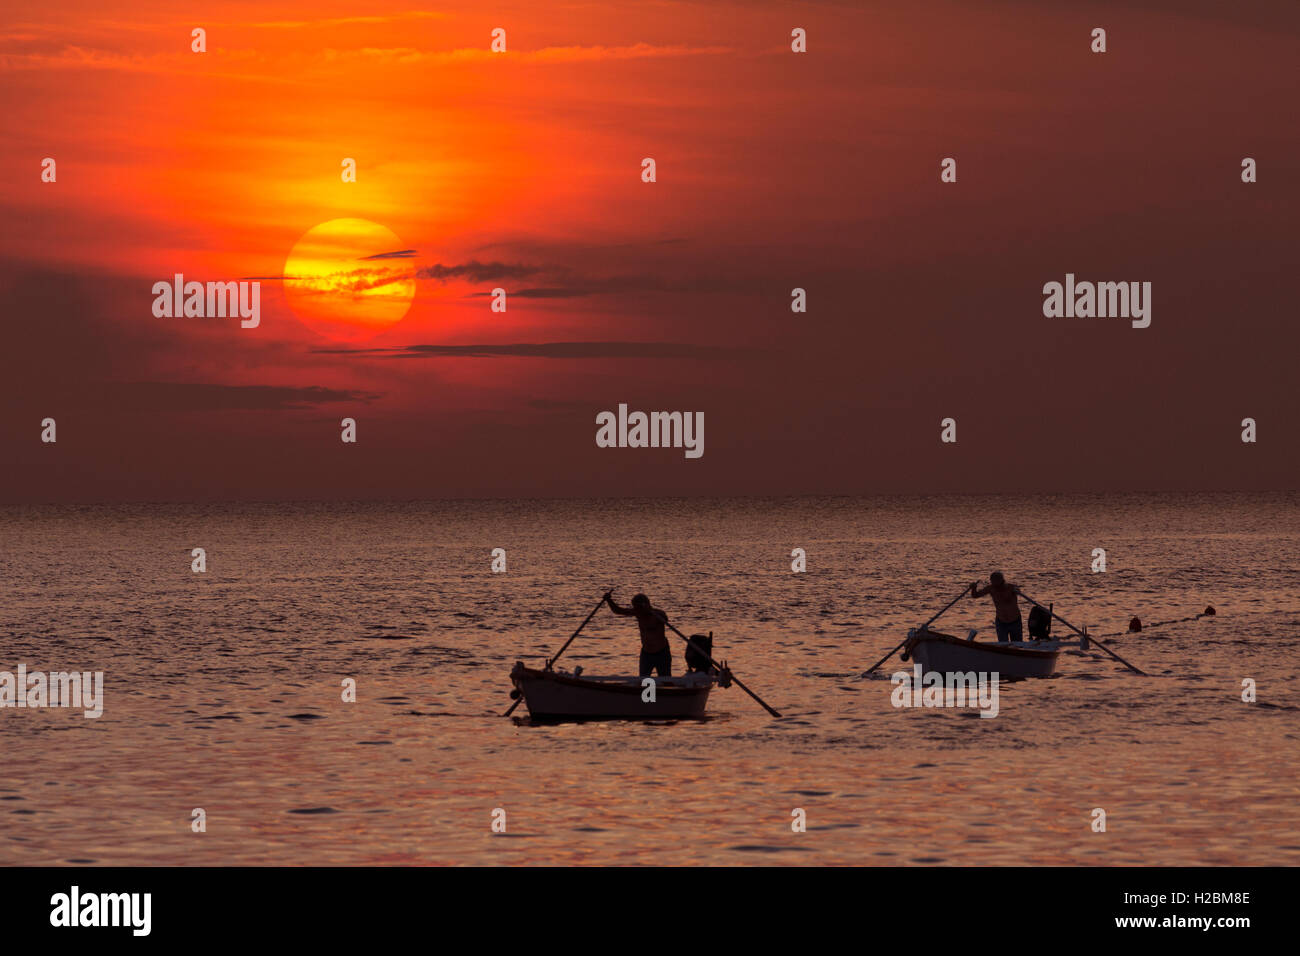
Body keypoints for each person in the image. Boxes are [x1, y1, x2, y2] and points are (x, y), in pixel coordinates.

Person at [606, 592, 673, 676]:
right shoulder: (638, 613)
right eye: (635, 607)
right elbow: (618, 610)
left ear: (645, 605)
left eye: (638, 607)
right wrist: (609, 600)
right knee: (643, 680)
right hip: (646, 654)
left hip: (662, 653)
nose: (636, 609)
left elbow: (665, 618)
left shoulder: (657, 614)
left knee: (665, 680)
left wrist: (651, 612)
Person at [970, 572, 1023, 642]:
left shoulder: (1011, 588)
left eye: (996, 580)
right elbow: (975, 595)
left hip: (1015, 621)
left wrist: (1017, 590)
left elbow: (1018, 589)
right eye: (992, 581)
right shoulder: (991, 588)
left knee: (1018, 644)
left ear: (1001, 580)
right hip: (1001, 621)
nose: (994, 583)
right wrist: (973, 588)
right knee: (1003, 644)